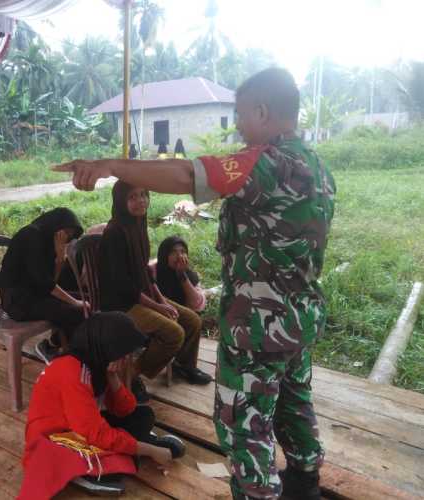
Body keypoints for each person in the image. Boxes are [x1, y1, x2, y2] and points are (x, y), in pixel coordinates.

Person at [54, 67, 335, 500]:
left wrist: (110, 166)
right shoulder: (317, 166)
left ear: (262, 110)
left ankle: (259, 493)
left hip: (260, 326)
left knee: (245, 421)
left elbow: (188, 176)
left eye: (240, 115)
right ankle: (305, 482)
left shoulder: (264, 161)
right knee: (294, 402)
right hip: (300, 320)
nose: (238, 125)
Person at [19, 312, 185, 498]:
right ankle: (83, 472)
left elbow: (125, 409)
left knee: (142, 416)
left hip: (80, 425)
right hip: (56, 438)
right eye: (123, 352)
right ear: (106, 348)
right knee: (119, 468)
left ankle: (137, 448)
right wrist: (151, 450)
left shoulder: (94, 362)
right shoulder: (71, 372)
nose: (128, 357)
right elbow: (93, 433)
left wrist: (112, 377)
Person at [99, 181, 213, 403]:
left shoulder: (138, 223)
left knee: (191, 320)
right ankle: (131, 374)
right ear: (121, 201)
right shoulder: (114, 233)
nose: (141, 201)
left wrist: (161, 299)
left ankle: (183, 365)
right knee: (174, 333)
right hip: (121, 304)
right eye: (133, 197)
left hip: (142, 295)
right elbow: (124, 286)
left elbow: (144, 271)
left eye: (144, 195)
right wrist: (157, 306)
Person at [0, 207, 87, 364]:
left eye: (69, 236)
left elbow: (53, 281)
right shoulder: (30, 236)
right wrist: (74, 302)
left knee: (87, 300)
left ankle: (55, 344)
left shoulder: (49, 240)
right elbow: (45, 283)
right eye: (65, 232)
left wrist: (60, 259)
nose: (66, 238)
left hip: (36, 294)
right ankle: (62, 353)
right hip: (17, 301)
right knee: (76, 309)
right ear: (56, 225)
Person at [152, 235, 206, 313]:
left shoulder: (188, 274)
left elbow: (196, 306)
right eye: (173, 252)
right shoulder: (153, 272)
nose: (179, 256)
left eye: (183, 252)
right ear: (164, 255)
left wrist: (181, 275)